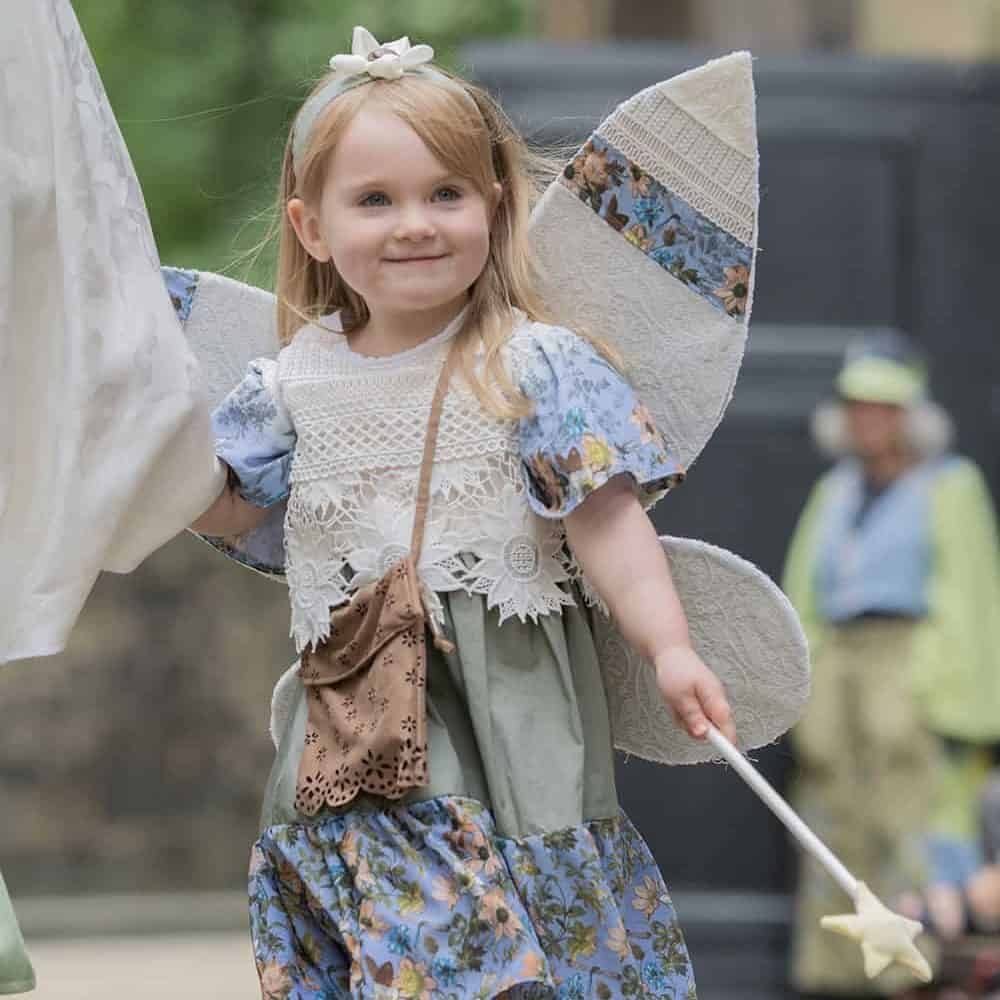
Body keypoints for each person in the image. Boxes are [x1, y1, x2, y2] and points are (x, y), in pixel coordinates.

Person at [182, 26, 740, 1000]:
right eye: (375, 200)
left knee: (525, 920)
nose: (415, 222)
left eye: (445, 193)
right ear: (312, 228)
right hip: (361, 706)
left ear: (492, 205)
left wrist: (669, 644)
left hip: (513, 702)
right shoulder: (289, 385)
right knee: (407, 909)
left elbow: (603, 519)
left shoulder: (532, 365)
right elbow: (229, 510)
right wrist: (154, 474)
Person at [783, 331, 1000, 997]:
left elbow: (972, 596)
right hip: (838, 679)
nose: (868, 419)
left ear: (911, 414)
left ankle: (916, 977)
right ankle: (835, 977)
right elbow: (802, 594)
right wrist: (797, 687)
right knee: (832, 828)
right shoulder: (836, 490)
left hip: (912, 678)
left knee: (914, 832)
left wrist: (962, 715)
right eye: (858, 406)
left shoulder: (950, 486)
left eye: (884, 406)